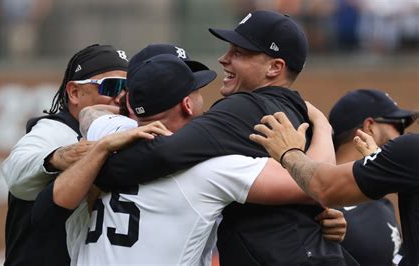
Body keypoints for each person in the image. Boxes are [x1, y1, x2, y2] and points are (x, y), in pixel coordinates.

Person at [93, 10, 356, 265]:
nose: (223, 59)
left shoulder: (242, 108)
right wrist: (322, 124)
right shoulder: (299, 111)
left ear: (275, 67)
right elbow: (322, 184)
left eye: (238, 53)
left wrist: (97, 170)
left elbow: (164, 152)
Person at [1, 44, 129, 265]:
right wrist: (56, 157)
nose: (121, 97)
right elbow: (14, 170)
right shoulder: (56, 131)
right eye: (112, 86)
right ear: (74, 92)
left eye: (129, 88)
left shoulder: (121, 131)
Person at [250, 111, 419, 266]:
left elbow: (324, 187)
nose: (402, 132)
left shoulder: (411, 150)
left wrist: (289, 151)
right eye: (396, 126)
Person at [329, 89, 417, 265]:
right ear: (369, 127)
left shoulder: (382, 202)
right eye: (397, 126)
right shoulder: (319, 202)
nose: (401, 137)